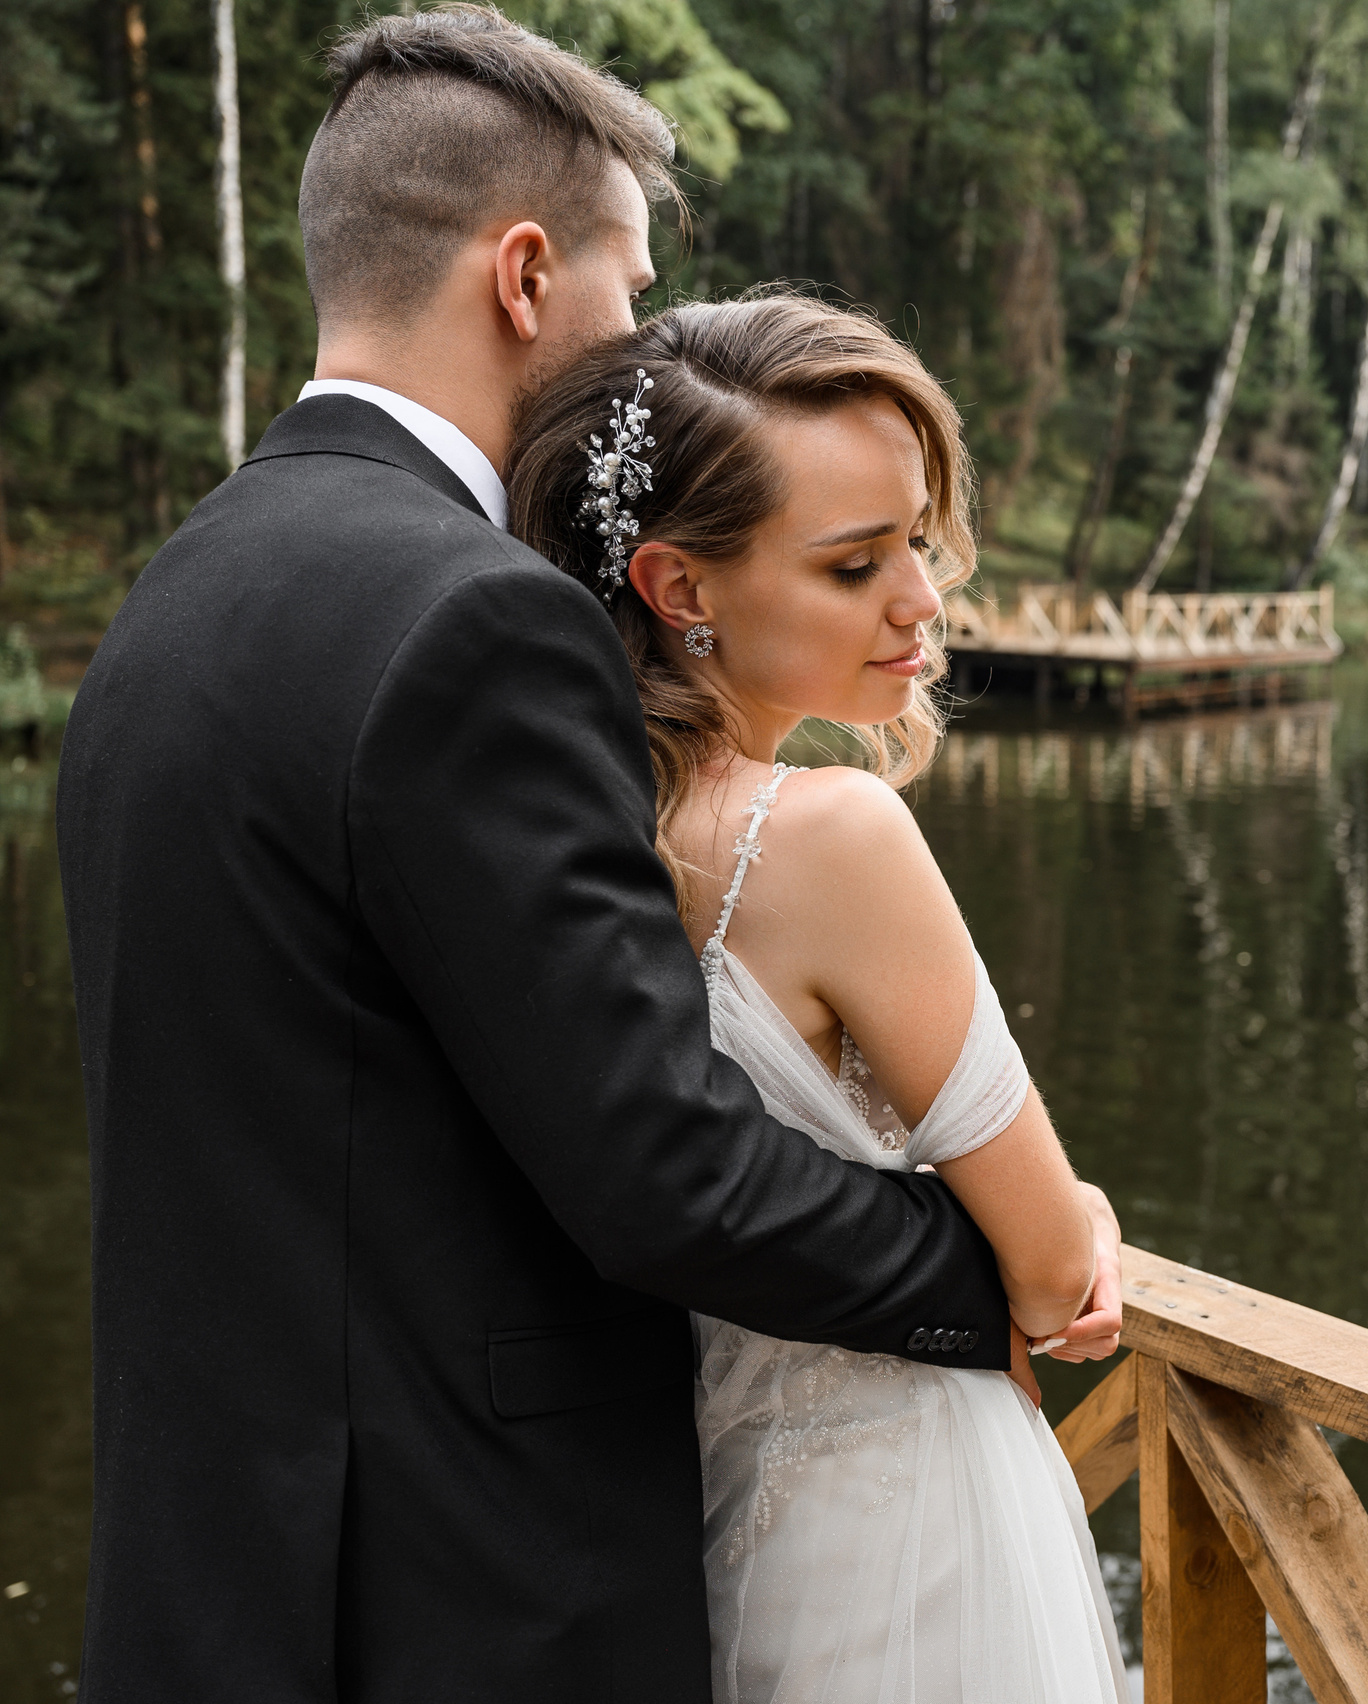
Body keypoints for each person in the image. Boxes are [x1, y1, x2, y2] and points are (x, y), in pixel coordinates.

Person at [53, 8, 1115, 1698]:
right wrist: (969, 1278)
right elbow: (657, 1167)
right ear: (526, 274)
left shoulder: (176, 601)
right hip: (455, 1593)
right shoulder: (476, 619)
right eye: (627, 292)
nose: (637, 349)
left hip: (222, 1572)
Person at [511, 294, 1130, 1703]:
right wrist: (1083, 1215)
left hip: (706, 1518)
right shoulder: (834, 834)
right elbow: (1047, 1273)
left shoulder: (567, 832)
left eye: (917, 537)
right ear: (682, 590)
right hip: (913, 1511)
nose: (921, 597)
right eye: (855, 565)